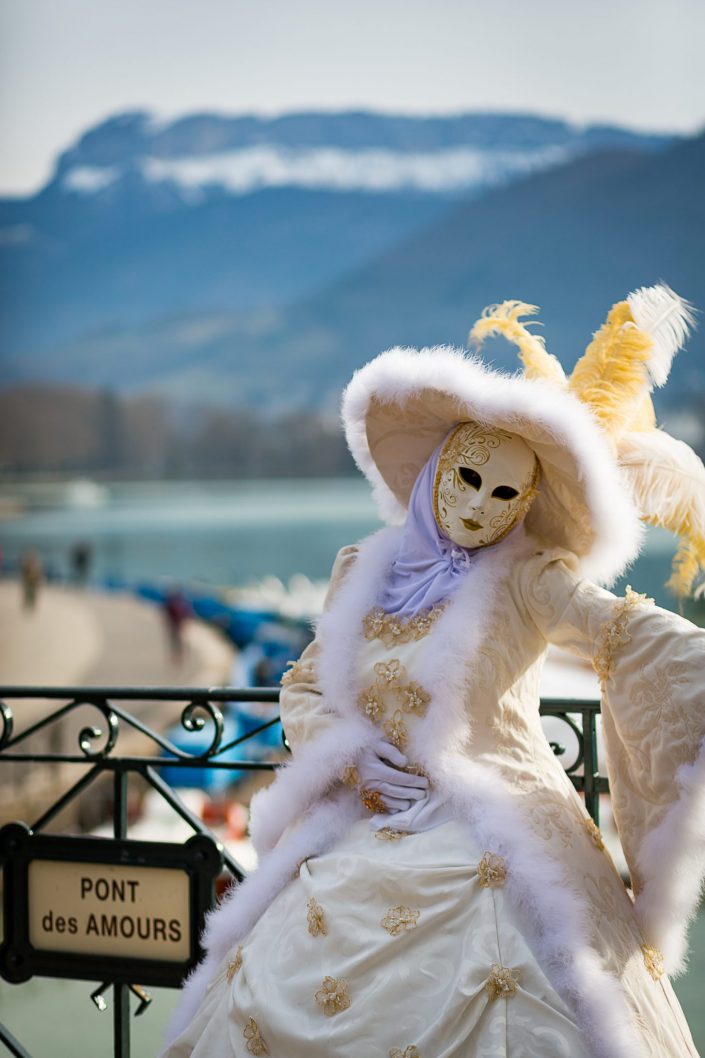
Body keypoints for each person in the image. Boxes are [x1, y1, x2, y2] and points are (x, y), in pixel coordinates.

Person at [163, 286, 704, 1058]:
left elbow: (625, 634)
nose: (481, 506)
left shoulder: (529, 576)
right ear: (437, 469)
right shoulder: (364, 568)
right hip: (362, 822)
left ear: (525, 506)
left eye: (506, 493)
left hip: (500, 831)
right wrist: (347, 751)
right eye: (469, 478)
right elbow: (308, 685)